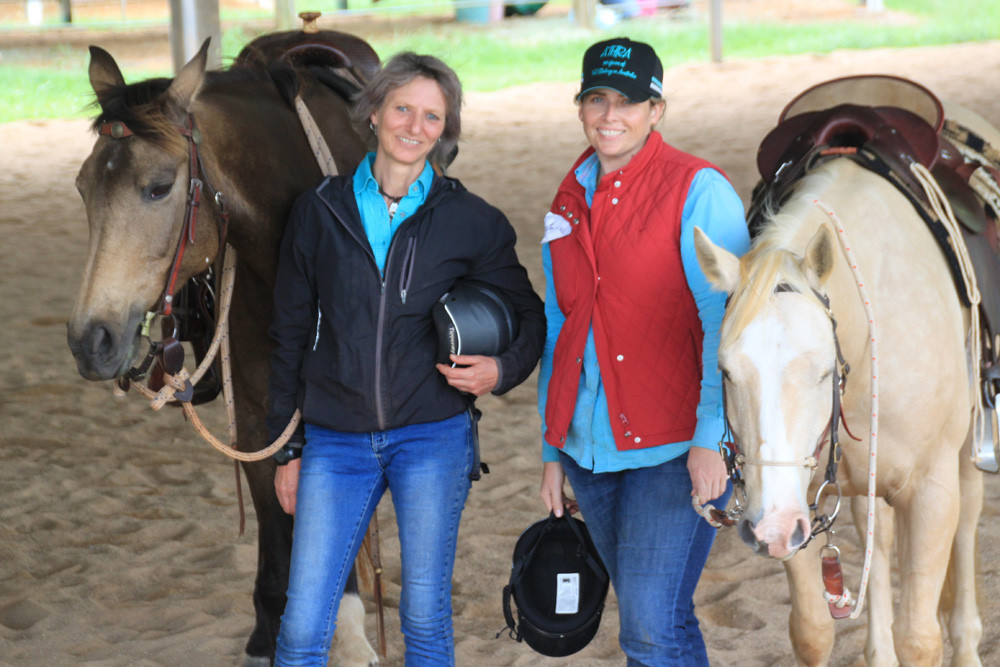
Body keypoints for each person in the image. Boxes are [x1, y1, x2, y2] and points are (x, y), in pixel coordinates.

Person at [267, 52, 545, 666]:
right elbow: (287, 335)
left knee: (423, 617)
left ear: (445, 131)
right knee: (302, 626)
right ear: (373, 113)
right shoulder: (318, 210)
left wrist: (500, 371)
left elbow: (531, 317)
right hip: (334, 442)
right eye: (403, 109)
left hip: (432, 436)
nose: (414, 127)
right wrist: (286, 450)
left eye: (432, 116)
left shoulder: (472, 221)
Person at [537, 37, 750, 665]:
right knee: (663, 620)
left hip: (674, 448)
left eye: (627, 101)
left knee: (648, 629)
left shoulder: (699, 189)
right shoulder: (568, 197)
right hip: (587, 450)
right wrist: (554, 449)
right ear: (580, 107)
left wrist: (713, 438)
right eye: (596, 99)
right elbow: (559, 325)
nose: (610, 115)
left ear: (656, 109)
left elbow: (727, 323)